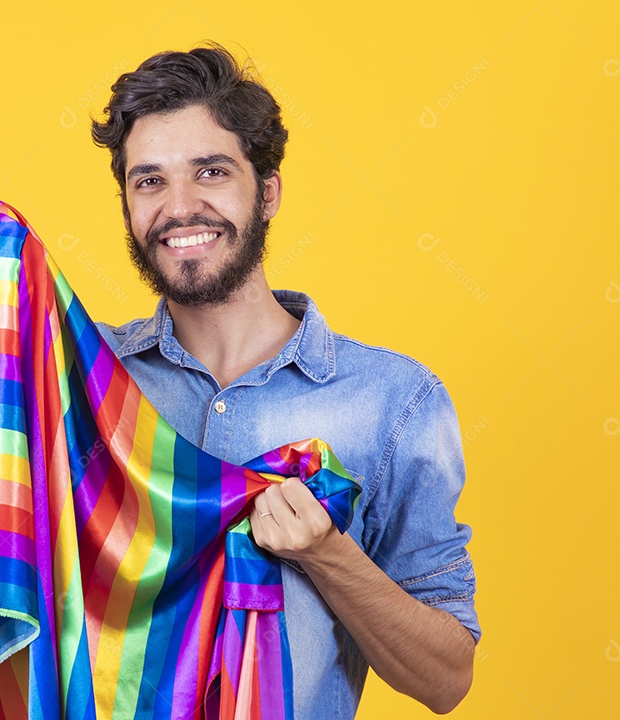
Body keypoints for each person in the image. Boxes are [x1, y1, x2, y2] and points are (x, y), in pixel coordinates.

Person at [90, 43, 480, 718]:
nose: (179, 208)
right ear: (127, 206)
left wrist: (328, 554)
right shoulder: (85, 388)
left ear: (266, 192)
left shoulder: (395, 401)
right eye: (148, 181)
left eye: (210, 172)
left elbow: (445, 678)